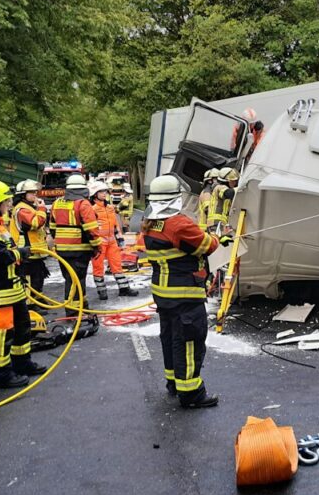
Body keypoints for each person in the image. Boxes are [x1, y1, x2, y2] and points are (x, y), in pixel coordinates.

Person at [142, 174, 226, 408]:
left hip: (164, 294)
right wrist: (219, 238)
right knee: (189, 342)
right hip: (184, 294)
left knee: (171, 339)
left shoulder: (150, 223)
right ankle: (191, 394)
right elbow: (206, 245)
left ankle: (173, 383)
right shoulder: (178, 224)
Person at [0, 180, 46, 388]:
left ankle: (22, 363)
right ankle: (1, 374)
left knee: (22, 326)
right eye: (5, 201)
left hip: (12, 287)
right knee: (3, 330)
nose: (9, 204)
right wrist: (21, 253)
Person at [50, 174, 102, 314]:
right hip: (79, 249)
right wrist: (97, 246)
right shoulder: (83, 204)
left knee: (71, 278)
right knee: (76, 280)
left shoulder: (57, 203)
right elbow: (91, 229)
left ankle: (82, 306)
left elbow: (52, 227)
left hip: (62, 249)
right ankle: (74, 311)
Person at [89, 180, 139, 300]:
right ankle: (101, 291)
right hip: (98, 243)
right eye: (101, 191)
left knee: (117, 265)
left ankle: (124, 289)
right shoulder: (91, 209)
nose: (104, 193)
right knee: (98, 267)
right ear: (95, 194)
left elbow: (115, 225)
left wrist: (120, 238)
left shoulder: (110, 208)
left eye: (105, 191)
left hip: (112, 242)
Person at [10, 179, 51, 312]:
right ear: (23, 195)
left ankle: (37, 298)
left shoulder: (29, 207)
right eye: (31, 193)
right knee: (29, 277)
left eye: (35, 192)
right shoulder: (22, 209)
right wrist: (42, 209)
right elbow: (35, 223)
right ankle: (30, 305)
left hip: (34, 249)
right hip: (26, 249)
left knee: (38, 275)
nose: (35, 195)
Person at [207, 167, 239, 233]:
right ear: (228, 181)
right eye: (233, 181)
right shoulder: (220, 187)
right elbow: (227, 193)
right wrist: (239, 188)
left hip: (219, 223)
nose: (235, 183)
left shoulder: (221, 187)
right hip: (216, 222)